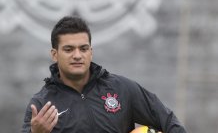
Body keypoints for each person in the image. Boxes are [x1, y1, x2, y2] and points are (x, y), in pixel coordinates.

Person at [21, 16, 187, 133]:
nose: (77, 55)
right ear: (54, 54)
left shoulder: (122, 89)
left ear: (91, 53)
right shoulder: (42, 105)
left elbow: (169, 122)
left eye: (83, 49)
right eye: (69, 49)